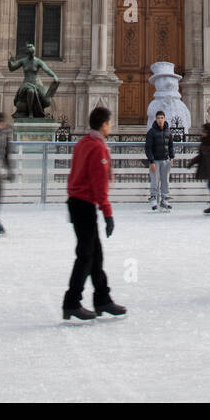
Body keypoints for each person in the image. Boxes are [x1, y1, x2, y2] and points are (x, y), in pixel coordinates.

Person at [62, 106, 125, 322]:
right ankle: (71, 301)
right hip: (84, 204)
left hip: (76, 201)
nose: (111, 126)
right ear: (104, 124)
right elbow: (100, 185)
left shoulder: (82, 143)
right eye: (109, 122)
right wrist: (107, 213)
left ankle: (102, 299)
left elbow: (74, 174)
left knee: (94, 255)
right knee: (86, 255)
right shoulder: (98, 149)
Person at [188, 121, 210, 213]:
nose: (202, 133)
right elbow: (201, 156)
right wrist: (192, 162)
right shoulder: (205, 141)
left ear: (208, 132)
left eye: (203, 131)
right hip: (209, 168)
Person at [145, 109, 175, 211]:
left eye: (162, 118)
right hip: (155, 161)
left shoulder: (168, 131)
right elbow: (148, 148)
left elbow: (170, 145)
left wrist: (172, 157)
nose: (160, 120)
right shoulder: (151, 132)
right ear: (156, 119)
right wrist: (151, 161)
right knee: (154, 180)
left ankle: (164, 199)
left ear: (164, 119)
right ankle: (153, 197)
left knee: (165, 180)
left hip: (165, 160)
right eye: (158, 118)